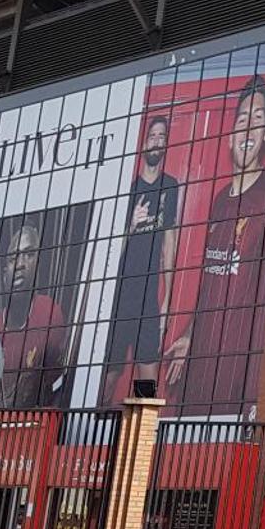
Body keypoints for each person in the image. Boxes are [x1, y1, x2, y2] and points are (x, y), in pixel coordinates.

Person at [164, 75, 265, 416]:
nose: (248, 129)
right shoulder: (219, 200)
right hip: (202, 355)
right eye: (242, 119)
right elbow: (209, 280)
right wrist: (188, 334)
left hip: (235, 363)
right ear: (230, 133)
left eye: (257, 120)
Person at [102, 114, 179, 405]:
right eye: (152, 136)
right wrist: (132, 225)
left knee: (148, 376)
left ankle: (143, 434)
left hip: (148, 297)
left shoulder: (170, 186)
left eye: (162, 137)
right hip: (121, 296)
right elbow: (108, 252)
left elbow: (169, 244)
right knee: (109, 374)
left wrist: (167, 297)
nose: (157, 141)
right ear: (144, 143)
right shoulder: (128, 190)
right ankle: (98, 427)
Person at [0, 220, 72, 409]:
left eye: (29, 254)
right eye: (13, 258)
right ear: (4, 271)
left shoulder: (49, 313)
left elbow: (57, 385)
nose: (20, 265)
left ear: (38, 264)